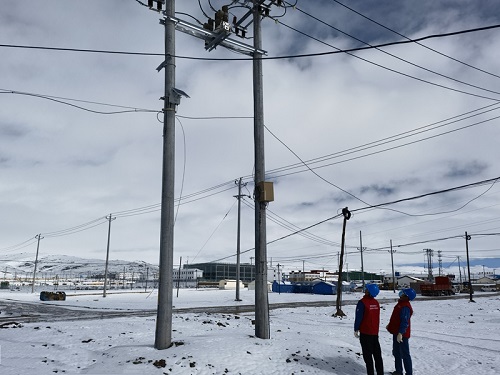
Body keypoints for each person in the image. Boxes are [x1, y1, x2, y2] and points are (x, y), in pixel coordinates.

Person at [354, 283, 384, 375]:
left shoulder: (362, 302)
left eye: (367, 289)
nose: (365, 290)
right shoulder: (376, 303)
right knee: (377, 355)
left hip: (365, 332)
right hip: (374, 333)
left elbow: (359, 317)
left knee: (368, 356)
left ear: (369, 292)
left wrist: (356, 328)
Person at [386, 288, 416, 375]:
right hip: (396, 332)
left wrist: (401, 333)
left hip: (402, 334)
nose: (401, 293)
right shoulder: (401, 304)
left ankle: (409, 373)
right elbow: (396, 317)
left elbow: (405, 321)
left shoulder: (405, 307)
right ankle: (398, 371)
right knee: (396, 352)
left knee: (405, 354)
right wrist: (390, 324)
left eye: (403, 293)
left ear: (406, 296)